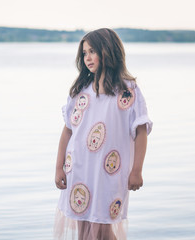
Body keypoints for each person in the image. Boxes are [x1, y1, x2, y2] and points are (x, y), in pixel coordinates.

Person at [54, 28, 153, 240]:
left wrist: (137, 170)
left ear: (107, 51)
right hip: (78, 169)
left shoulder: (127, 90)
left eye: (92, 51)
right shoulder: (81, 90)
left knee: (103, 227)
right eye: (84, 53)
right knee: (83, 229)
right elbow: (68, 131)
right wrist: (58, 167)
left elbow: (141, 131)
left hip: (109, 172)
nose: (87, 57)